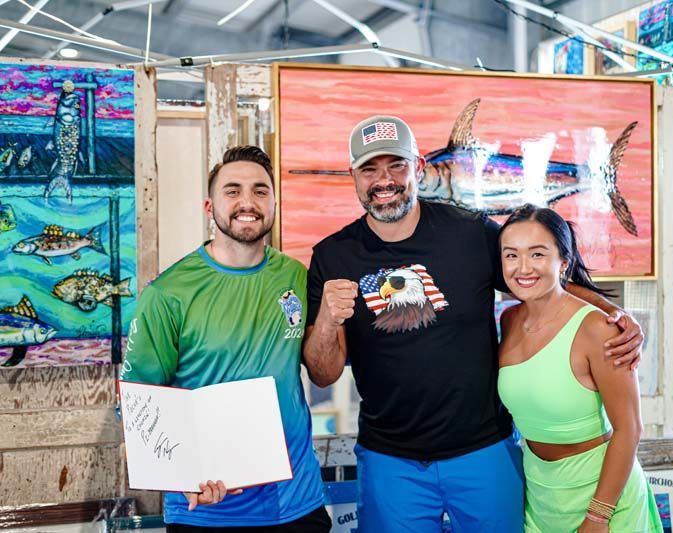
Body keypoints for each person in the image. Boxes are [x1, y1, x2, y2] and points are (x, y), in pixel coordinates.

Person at [303, 115, 644, 532]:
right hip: (391, 459)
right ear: (353, 176)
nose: (384, 179)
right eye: (369, 168)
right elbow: (323, 374)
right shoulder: (333, 257)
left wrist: (615, 316)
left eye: (396, 165)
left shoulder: (469, 233)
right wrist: (324, 321)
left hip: (485, 451)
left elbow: (542, 282)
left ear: (419, 168)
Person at [120, 146, 331, 532]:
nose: (247, 202)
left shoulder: (296, 277)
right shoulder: (168, 293)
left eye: (260, 191)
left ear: (274, 202)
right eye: (232, 191)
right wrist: (183, 475)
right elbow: (140, 401)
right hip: (208, 511)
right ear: (209, 206)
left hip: (298, 503)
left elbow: (320, 366)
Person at [497, 204, 662, 533]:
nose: (523, 267)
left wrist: (599, 516)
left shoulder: (598, 329)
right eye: (511, 255)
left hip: (603, 496)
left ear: (564, 263)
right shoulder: (509, 320)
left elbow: (629, 428)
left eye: (538, 254)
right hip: (541, 494)